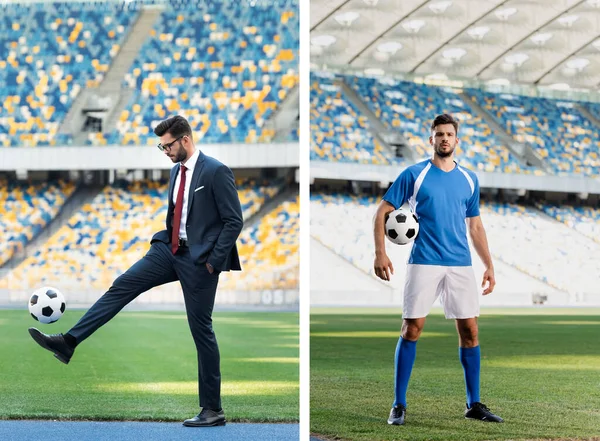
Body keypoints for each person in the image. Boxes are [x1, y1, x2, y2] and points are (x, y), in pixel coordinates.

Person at [28, 115, 244, 427]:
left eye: (168, 145)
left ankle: (213, 410)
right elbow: (177, 215)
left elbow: (233, 220)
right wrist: (166, 242)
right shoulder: (175, 172)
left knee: (201, 331)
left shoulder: (215, 171)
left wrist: (212, 261)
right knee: (122, 285)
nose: (165, 151)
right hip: (168, 251)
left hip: (200, 260)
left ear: (185, 139)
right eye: (162, 146)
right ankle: (68, 342)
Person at [373, 113, 503, 425]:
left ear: (457, 141)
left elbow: (475, 226)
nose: (444, 139)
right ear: (431, 139)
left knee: (470, 330)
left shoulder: (470, 179)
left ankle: (473, 404)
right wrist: (381, 253)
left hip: (460, 264)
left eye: (449, 134)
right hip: (424, 261)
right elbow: (383, 211)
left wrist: (489, 265)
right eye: (439, 134)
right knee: (412, 328)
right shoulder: (414, 174)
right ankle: (399, 405)